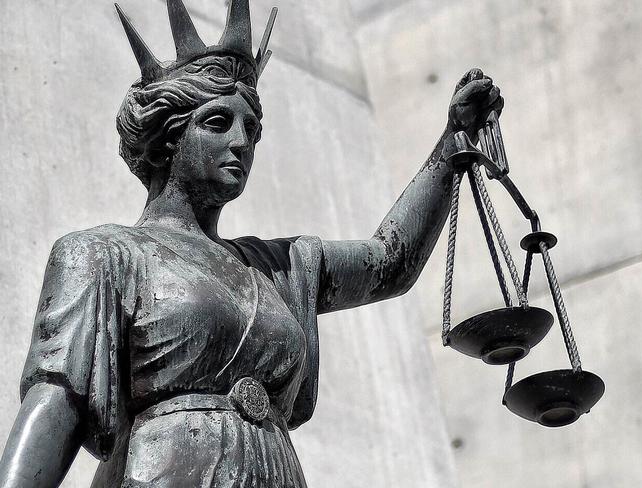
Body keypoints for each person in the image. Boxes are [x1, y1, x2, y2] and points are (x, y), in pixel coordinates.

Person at [0, 1, 503, 487]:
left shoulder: (282, 267)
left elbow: (389, 263)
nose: (242, 141)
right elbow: (55, 399)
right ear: (167, 137)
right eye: (218, 123)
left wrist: (453, 142)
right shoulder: (103, 255)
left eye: (252, 129)